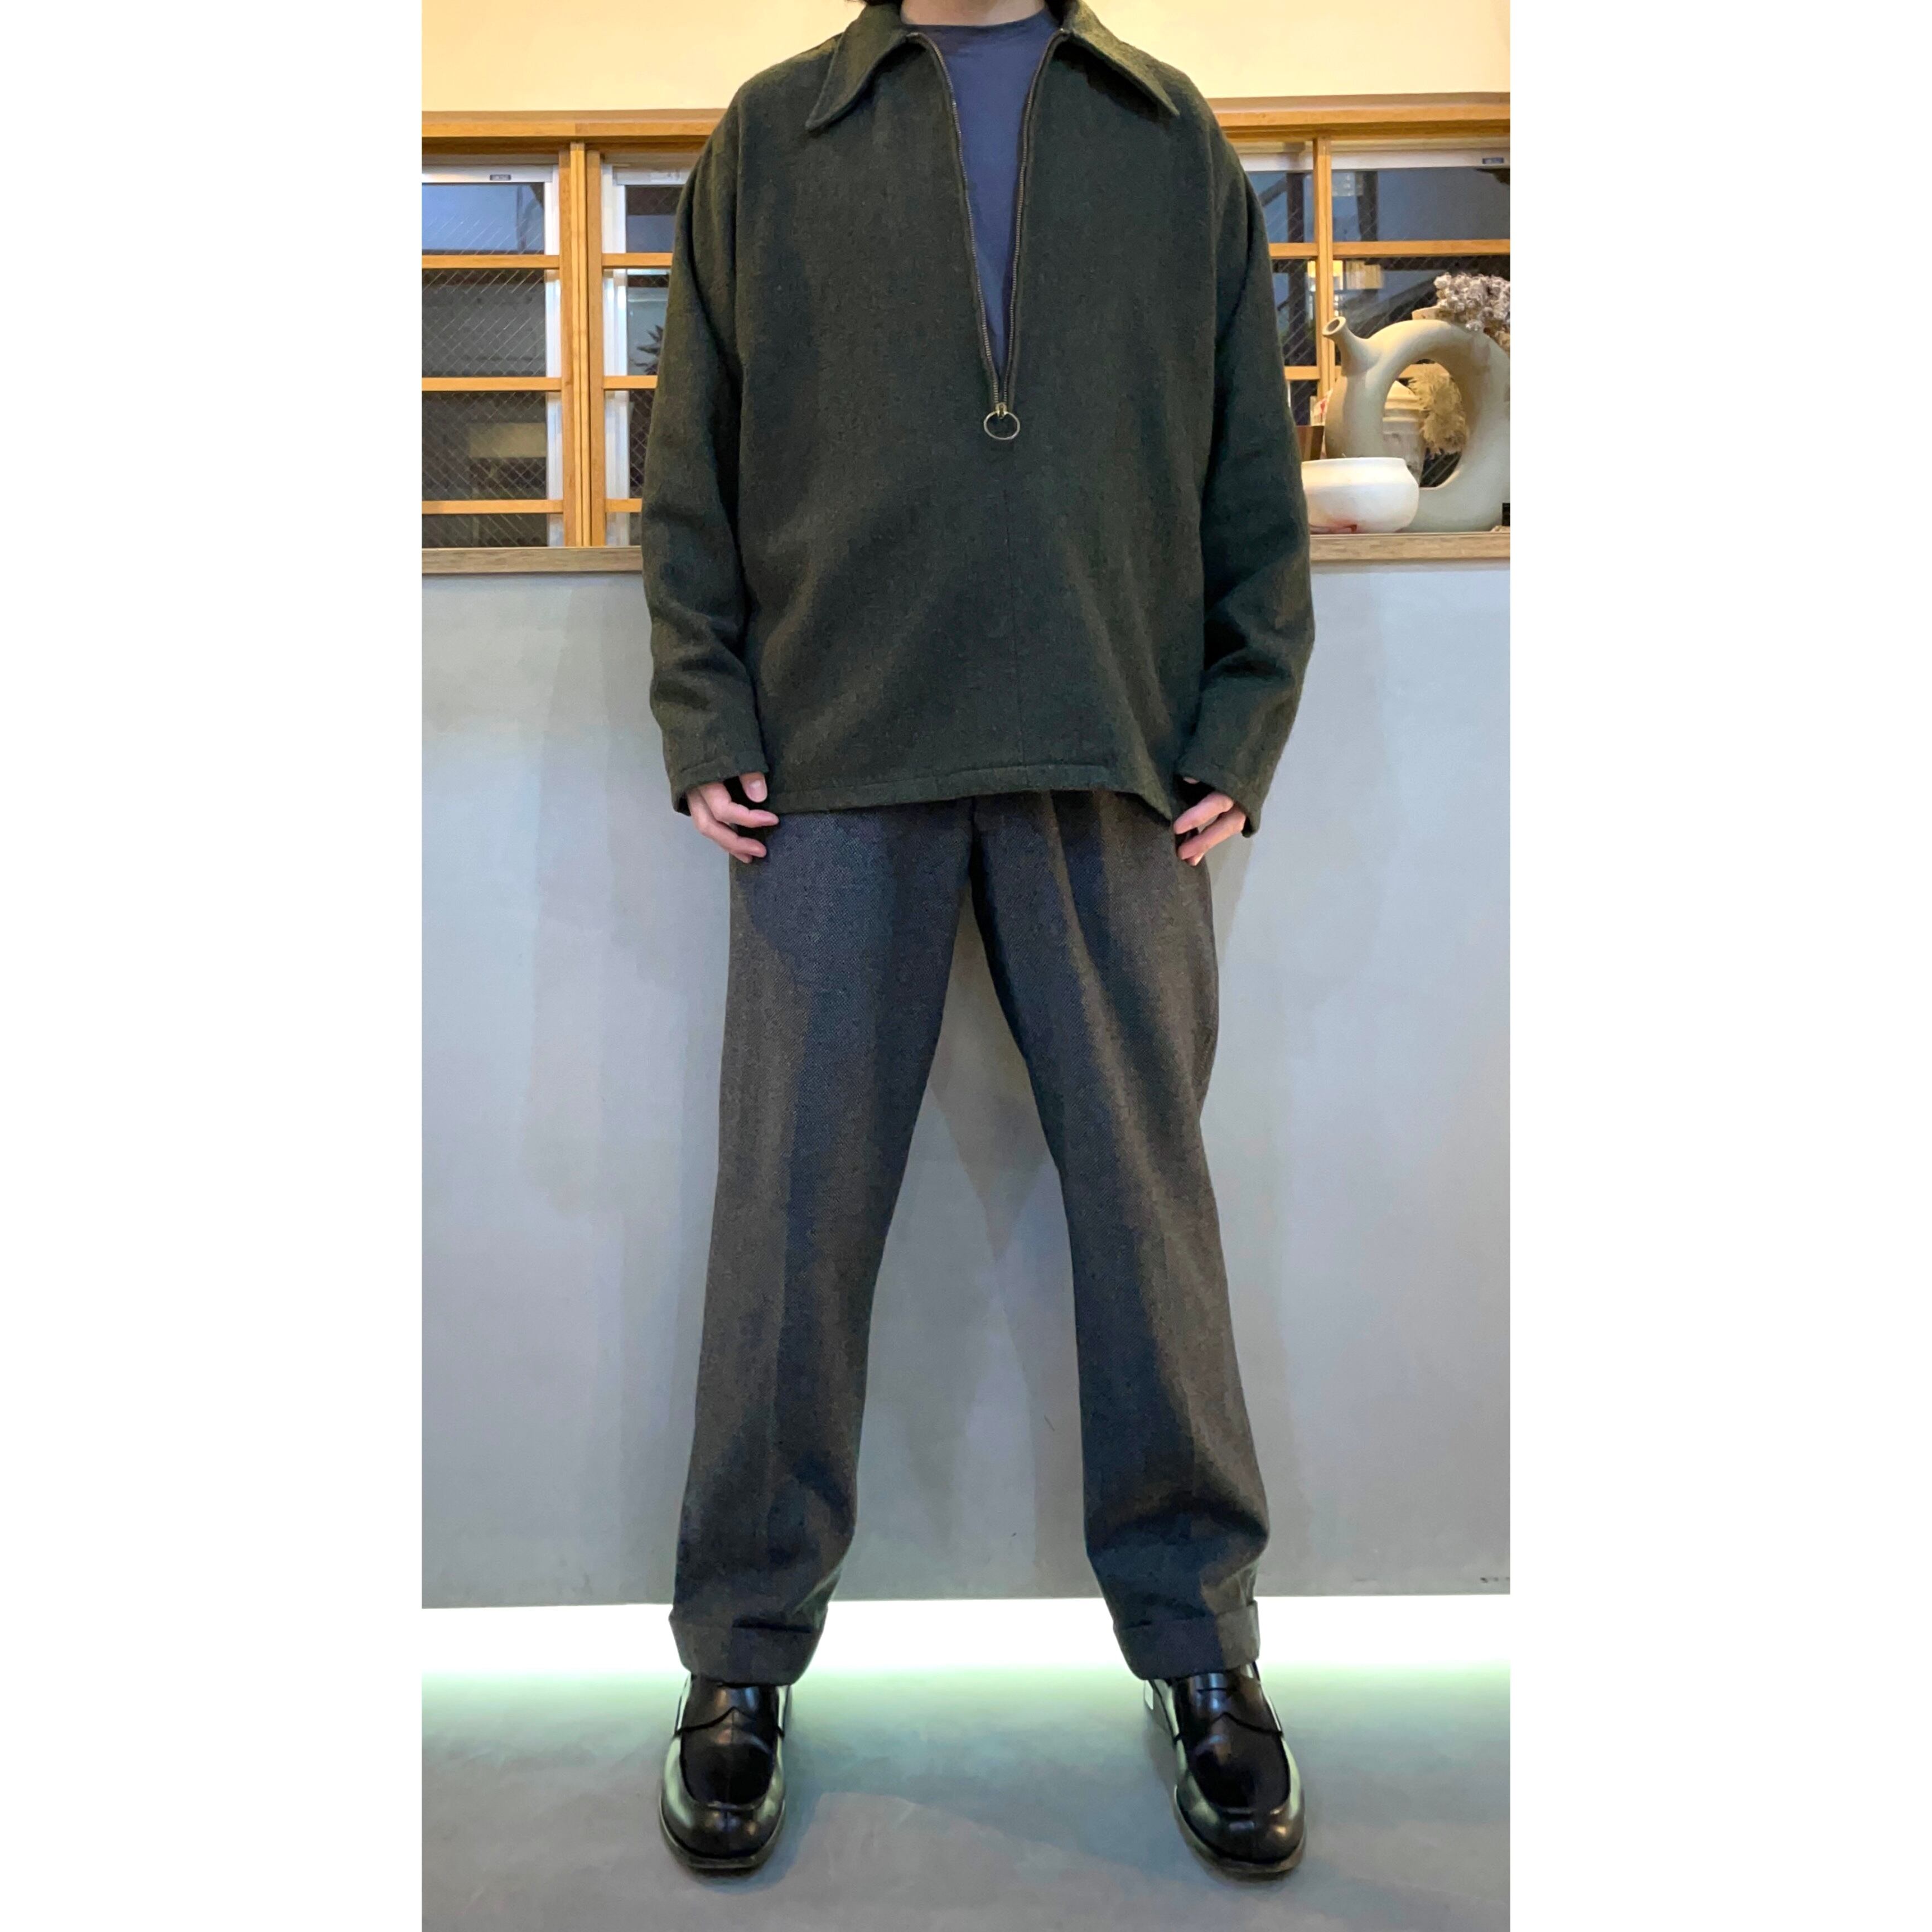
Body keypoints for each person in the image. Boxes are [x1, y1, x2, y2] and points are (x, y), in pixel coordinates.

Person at [640, 0, 1315, 1880]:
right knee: (786, 1228)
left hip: (1111, 756)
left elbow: (1251, 471)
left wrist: (1241, 721)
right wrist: (704, 708)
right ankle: (739, 1660)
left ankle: (1204, 1653)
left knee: (1152, 1225)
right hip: (829, 762)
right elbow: (689, 462)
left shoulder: (1168, 135)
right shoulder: (774, 135)